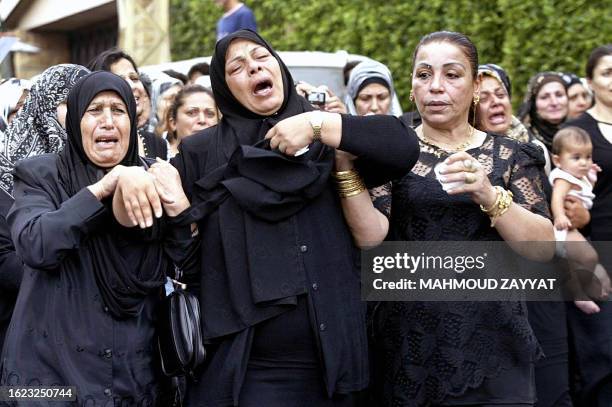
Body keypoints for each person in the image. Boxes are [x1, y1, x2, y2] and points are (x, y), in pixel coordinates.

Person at [117, 29, 419, 406]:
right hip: (249, 367)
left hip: (336, 359)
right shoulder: (203, 153)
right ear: (225, 89)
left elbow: (403, 146)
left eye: (261, 57)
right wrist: (135, 179)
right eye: (237, 67)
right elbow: (162, 237)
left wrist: (315, 126)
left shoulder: (325, 136)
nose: (254, 67)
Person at [337, 31, 554, 406]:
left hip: (494, 340)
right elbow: (371, 236)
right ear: (411, 87)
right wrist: (345, 169)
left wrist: (488, 194)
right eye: (424, 75)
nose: (436, 87)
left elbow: (542, 247)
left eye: (452, 75)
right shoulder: (392, 151)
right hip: (410, 340)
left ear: (475, 88)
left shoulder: (511, 154)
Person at [0, 71, 192, 404]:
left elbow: (184, 265)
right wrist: (102, 190)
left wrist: (180, 211)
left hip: (135, 378)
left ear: (132, 123)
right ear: (75, 122)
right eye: (95, 110)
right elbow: (36, 244)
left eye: (118, 111)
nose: (108, 121)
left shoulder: (155, 176)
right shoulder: (40, 174)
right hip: (51, 382)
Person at [564, 44, 612, 407]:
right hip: (597, 251)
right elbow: (563, 203)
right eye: (607, 73)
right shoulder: (577, 132)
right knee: (602, 356)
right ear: (591, 81)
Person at [0, 64, 89, 202]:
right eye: (69, 101)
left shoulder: (99, 158)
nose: (82, 110)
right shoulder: (13, 170)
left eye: (91, 104)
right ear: (46, 107)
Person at [549, 127, 602, 314]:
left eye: (588, 157)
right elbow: (557, 198)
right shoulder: (563, 178)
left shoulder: (576, 177)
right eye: (576, 157)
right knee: (590, 257)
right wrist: (560, 216)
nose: (584, 163)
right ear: (557, 160)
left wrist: (591, 179)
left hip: (574, 227)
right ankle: (581, 290)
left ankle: (579, 293)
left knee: (574, 263)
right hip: (564, 227)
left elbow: (585, 195)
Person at [88, 48, 168, 160]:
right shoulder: (95, 141)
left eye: (134, 78)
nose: (132, 86)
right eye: (120, 80)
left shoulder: (158, 143)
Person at [518, 71, 569, 153]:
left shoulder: (581, 133)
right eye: (544, 97)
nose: (554, 102)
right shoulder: (522, 140)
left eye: (559, 95)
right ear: (534, 104)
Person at [165, 84, 219, 158]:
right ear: (173, 122)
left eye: (210, 114)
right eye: (191, 113)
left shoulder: (230, 160)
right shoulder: (156, 159)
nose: (202, 120)